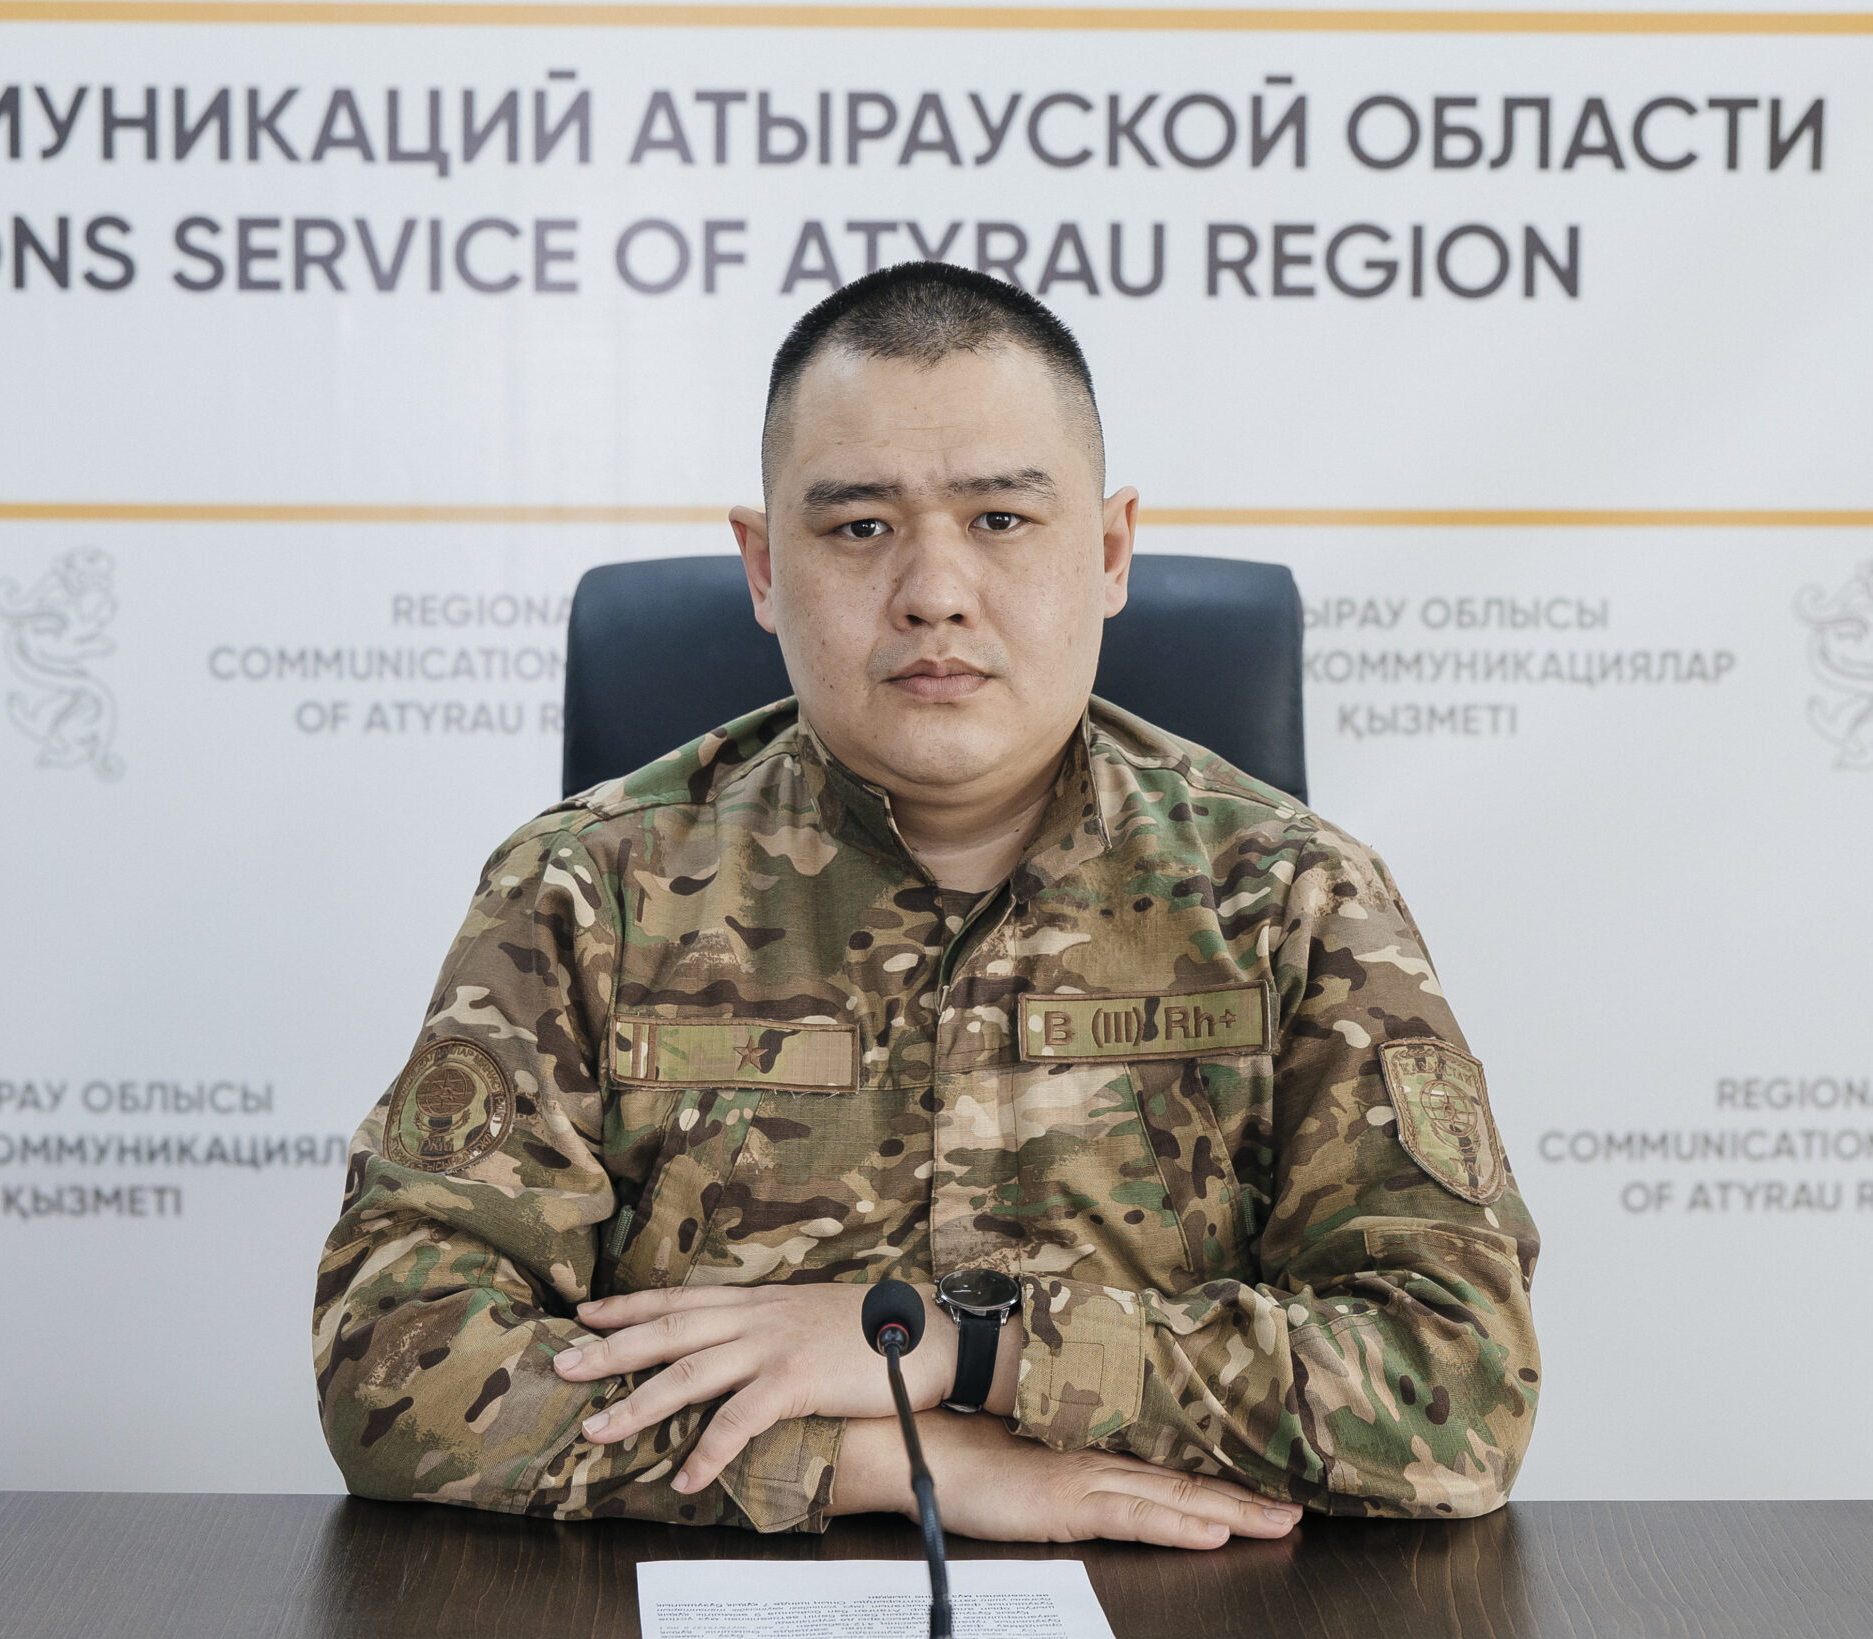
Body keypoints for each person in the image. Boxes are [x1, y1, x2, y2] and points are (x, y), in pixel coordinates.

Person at [313, 262, 1540, 1546]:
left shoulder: (1290, 897)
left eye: (1001, 519)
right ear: (764, 568)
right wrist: (880, 1462)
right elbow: (390, 1359)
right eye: (859, 528)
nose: (934, 591)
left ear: (1108, 551)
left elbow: (1459, 1383)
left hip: (1189, 1616)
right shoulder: (588, 891)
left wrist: (970, 1347)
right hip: (694, 1615)